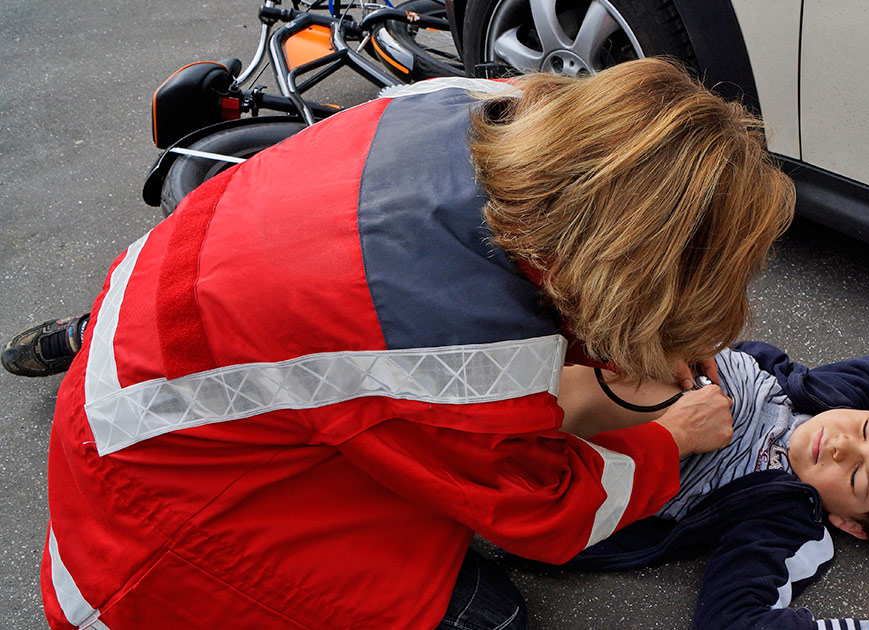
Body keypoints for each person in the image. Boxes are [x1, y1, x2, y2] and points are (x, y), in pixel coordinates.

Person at [27, 58, 795, 630]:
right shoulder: (454, 353)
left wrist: (635, 334)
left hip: (170, 324)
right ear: (611, 270)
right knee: (487, 615)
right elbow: (546, 511)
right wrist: (665, 439)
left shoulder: (483, 105)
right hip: (153, 535)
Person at [552, 341, 869, 629]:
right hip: (618, 345)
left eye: (857, 477)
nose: (840, 444)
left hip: (571, 447)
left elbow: (731, 622)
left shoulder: (781, 520)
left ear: (850, 524)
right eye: (868, 428)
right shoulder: (823, 399)